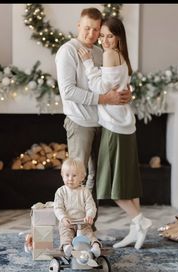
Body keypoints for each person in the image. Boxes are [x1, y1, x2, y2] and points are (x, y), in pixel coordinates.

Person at [55, 8, 132, 238]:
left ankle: (88, 228)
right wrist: (104, 98)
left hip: (103, 122)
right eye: (87, 27)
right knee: (76, 177)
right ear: (78, 25)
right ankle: (69, 228)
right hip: (79, 123)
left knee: (95, 178)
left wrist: (127, 93)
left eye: (96, 29)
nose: (91, 33)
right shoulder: (67, 51)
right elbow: (68, 91)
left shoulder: (100, 52)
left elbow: (111, 81)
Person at [78, 16, 152, 250]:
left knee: (113, 186)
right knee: (128, 182)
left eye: (109, 35)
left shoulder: (109, 55)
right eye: (102, 36)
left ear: (118, 36)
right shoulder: (123, 57)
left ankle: (141, 221)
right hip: (125, 125)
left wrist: (89, 64)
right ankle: (135, 230)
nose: (104, 40)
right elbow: (117, 88)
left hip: (113, 127)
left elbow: (100, 88)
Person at [54, 158, 101, 258]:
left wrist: (89, 215)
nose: (70, 179)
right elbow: (58, 208)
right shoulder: (61, 192)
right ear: (62, 175)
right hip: (68, 222)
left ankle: (95, 246)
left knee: (89, 234)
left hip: (82, 221)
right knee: (66, 235)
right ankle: (67, 247)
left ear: (82, 177)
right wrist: (63, 218)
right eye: (67, 175)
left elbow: (90, 206)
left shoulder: (85, 191)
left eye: (74, 175)